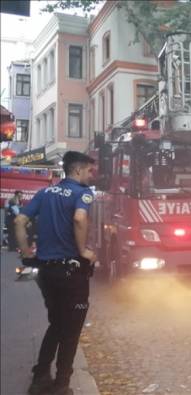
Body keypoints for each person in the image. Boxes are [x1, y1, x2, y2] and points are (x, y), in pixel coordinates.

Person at [14, 152, 97, 395]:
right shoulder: (83, 193)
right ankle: (62, 384)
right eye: (89, 171)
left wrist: (27, 252)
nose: (91, 176)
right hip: (72, 272)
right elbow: (80, 218)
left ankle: (40, 378)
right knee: (71, 330)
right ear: (78, 170)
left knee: (57, 323)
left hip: (46, 273)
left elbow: (20, 221)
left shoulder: (44, 193)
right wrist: (84, 251)